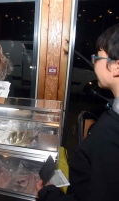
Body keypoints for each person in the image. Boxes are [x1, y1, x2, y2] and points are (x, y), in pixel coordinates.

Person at [36, 23, 119, 201]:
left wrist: (49, 194)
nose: (94, 62)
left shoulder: (110, 133)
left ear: (116, 67)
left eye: (98, 57)